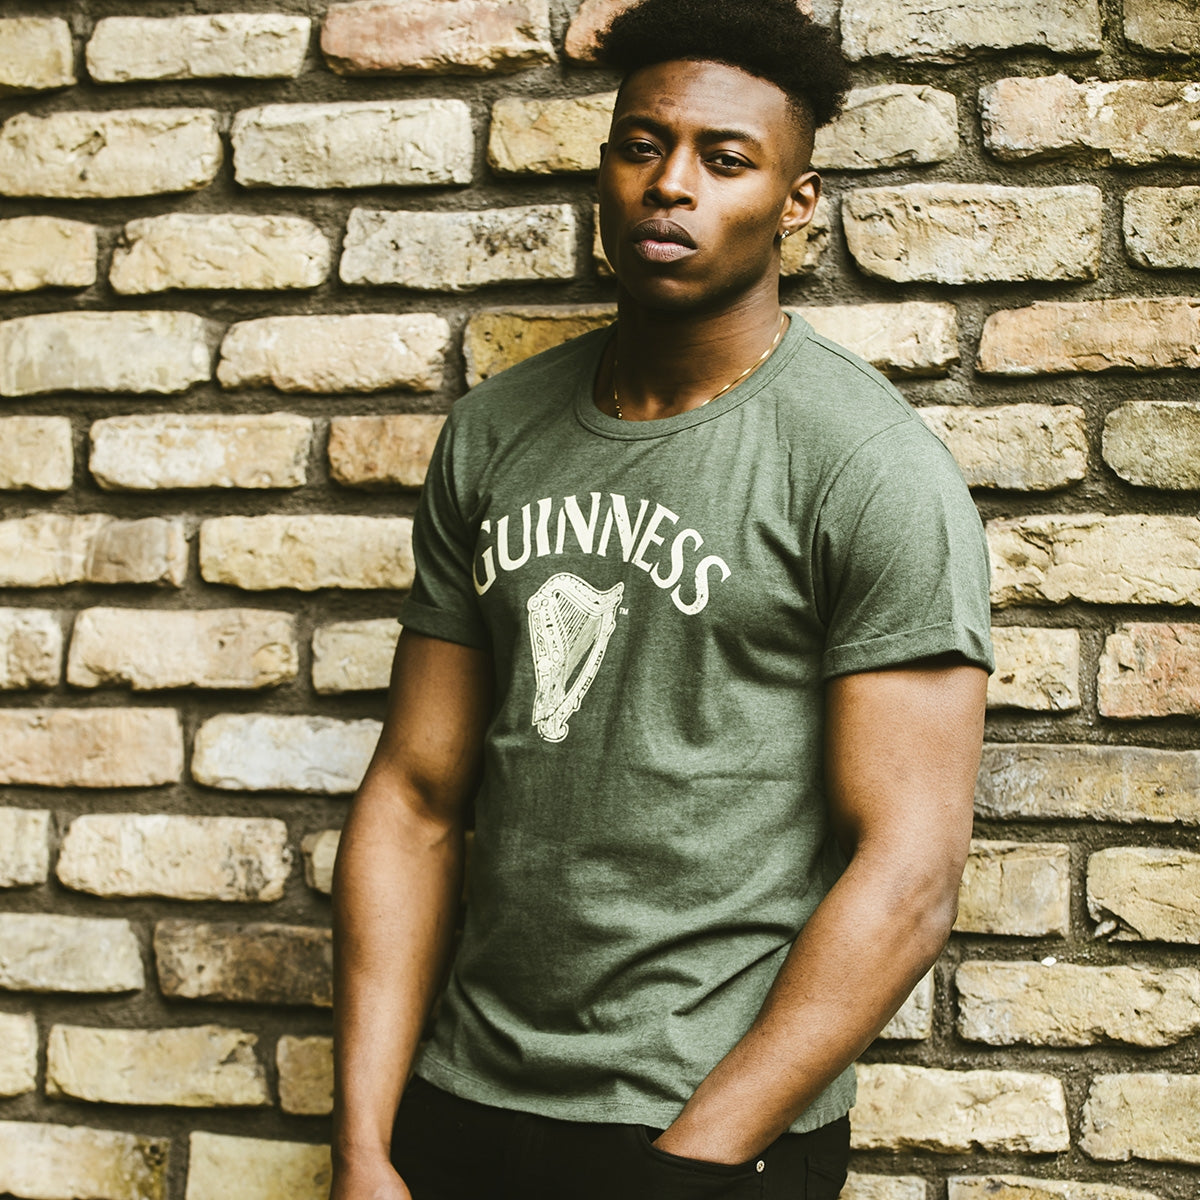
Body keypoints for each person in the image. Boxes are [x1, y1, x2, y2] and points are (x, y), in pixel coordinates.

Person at [329, 0, 994, 1196]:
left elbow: (910, 871)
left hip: (701, 1129)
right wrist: (368, 1145)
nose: (669, 185)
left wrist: (695, 1160)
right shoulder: (491, 437)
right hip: (461, 1102)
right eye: (642, 144)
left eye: (725, 159)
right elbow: (417, 796)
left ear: (797, 202)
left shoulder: (866, 463)